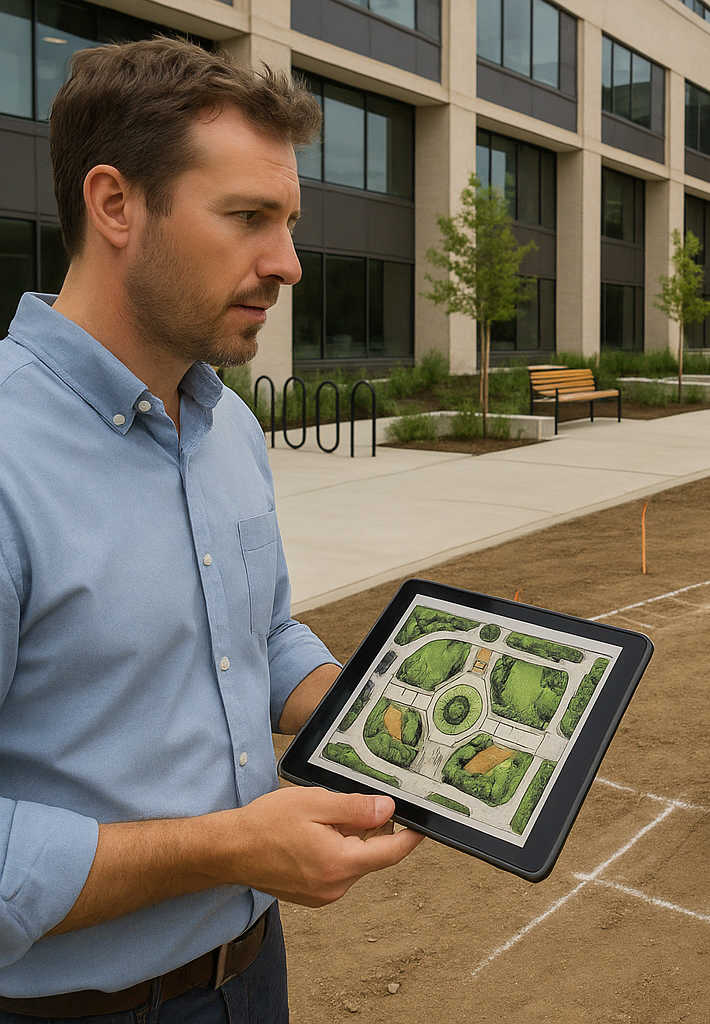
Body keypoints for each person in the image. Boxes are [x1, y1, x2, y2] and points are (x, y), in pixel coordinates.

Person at [0, 38, 423, 1020]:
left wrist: (379, 721)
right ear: (115, 205)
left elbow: (262, 635)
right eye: (247, 218)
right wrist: (230, 846)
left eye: (288, 221)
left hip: (251, 975)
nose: (289, 264)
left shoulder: (229, 421)